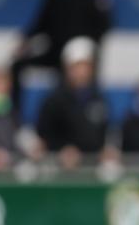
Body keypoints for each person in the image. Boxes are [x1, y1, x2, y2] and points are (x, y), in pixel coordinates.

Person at [12, 0, 113, 110]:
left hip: (81, 57)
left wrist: (85, 53)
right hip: (55, 53)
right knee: (18, 64)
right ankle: (14, 115)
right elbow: (41, 24)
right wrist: (25, 40)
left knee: (75, 78)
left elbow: (105, 26)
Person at [35, 37, 113, 170]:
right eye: (77, 66)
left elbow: (103, 133)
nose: (82, 71)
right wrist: (61, 150)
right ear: (67, 68)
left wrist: (105, 150)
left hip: (93, 167)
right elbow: (43, 137)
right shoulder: (54, 100)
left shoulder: (99, 99)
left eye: (86, 66)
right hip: (59, 167)